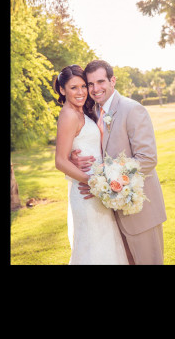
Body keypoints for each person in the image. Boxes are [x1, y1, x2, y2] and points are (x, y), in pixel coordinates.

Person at [69, 60, 167, 265]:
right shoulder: (93, 113)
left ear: (113, 80)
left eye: (101, 81)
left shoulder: (132, 109)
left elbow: (147, 158)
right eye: (90, 84)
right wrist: (74, 159)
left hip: (140, 212)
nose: (95, 89)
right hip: (109, 215)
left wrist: (100, 182)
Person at [53, 65, 129, 265]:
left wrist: (101, 185)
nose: (81, 92)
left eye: (83, 86)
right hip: (87, 193)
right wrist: (94, 183)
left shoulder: (83, 111)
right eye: (73, 88)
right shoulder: (68, 115)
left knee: (106, 245)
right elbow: (59, 161)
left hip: (97, 191)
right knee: (93, 247)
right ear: (62, 90)